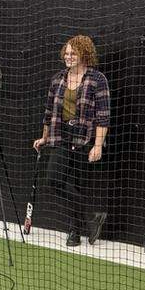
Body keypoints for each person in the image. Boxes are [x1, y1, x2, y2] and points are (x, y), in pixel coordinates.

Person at [33, 35, 110, 246]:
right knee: (55, 180)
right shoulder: (58, 78)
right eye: (66, 53)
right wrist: (44, 137)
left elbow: (103, 115)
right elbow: (49, 112)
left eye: (73, 53)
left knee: (74, 183)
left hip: (84, 138)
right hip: (60, 136)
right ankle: (92, 216)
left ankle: (74, 232)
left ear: (84, 54)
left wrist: (98, 145)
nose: (68, 57)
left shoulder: (97, 79)